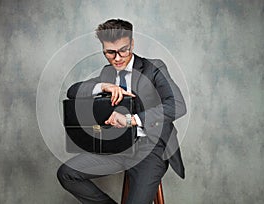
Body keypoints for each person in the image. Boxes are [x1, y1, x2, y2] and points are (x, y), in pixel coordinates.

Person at [57, 19, 187, 204]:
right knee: (67, 174)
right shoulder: (108, 73)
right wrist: (103, 86)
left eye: (123, 50)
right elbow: (73, 91)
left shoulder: (154, 68)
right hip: (117, 148)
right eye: (110, 52)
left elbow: (178, 105)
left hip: (150, 149)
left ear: (132, 44)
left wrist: (131, 120)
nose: (117, 58)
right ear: (103, 48)